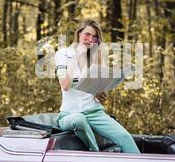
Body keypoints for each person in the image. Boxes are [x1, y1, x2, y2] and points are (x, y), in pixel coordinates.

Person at [54, 19, 141, 153]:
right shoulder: (63, 54)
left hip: (95, 113)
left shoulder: (95, 58)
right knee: (79, 119)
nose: (90, 39)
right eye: (87, 34)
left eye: (94, 37)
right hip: (69, 114)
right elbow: (64, 85)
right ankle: (95, 155)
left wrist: (100, 94)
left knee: (125, 137)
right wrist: (77, 56)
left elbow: (98, 91)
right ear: (79, 33)